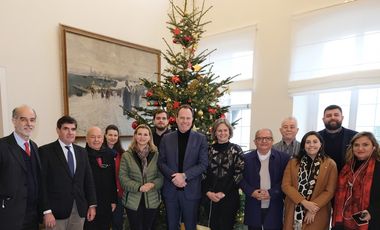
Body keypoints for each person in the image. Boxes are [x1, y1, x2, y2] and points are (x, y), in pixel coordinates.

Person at [39, 115, 97, 230]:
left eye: (73, 129)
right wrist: (46, 211)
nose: (70, 132)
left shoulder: (82, 152)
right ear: (58, 130)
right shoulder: (45, 151)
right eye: (66, 128)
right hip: (55, 213)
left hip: (79, 210)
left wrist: (92, 205)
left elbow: (88, 180)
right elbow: (41, 184)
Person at [158, 104, 208, 230]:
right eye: (182, 118)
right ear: (176, 118)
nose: (185, 121)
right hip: (171, 190)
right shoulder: (166, 138)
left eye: (188, 118)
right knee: (172, 226)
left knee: (191, 226)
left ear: (192, 120)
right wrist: (174, 177)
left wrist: (184, 176)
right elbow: (161, 162)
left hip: (191, 191)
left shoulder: (200, 139)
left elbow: (203, 164)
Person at [282, 131, 338, 230]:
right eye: (308, 142)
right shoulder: (293, 162)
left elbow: (330, 191)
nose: (311, 145)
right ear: (303, 145)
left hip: (318, 212)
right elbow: (286, 185)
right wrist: (304, 202)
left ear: (321, 144)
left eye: (315, 142)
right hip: (294, 209)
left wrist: (312, 210)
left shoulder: (330, 164)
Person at [239, 128, 289, 230]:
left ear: (272, 141)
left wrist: (272, 192)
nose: (264, 141)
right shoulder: (245, 158)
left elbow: (286, 180)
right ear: (255, 141)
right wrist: (251, 191)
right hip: (253, 205)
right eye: (260, 138)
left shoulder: (283, 158)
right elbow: (240, 178)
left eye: (268, 138)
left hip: (274, 204)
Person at [0, 105, 41, 230]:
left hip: (32, 217)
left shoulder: (34, 147)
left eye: (32, 120)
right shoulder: (2, 146)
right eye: (23, 119)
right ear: (14, 121)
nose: (29, 123)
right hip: (9, 216)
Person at [332, 131, 380, 230]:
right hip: (343, 221)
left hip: (370, 221)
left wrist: (372, 212)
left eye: (365, 145)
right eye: (356, 145)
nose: (360, 148)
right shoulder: (346, 167)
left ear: (374, 147)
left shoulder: (378, 167)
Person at [119, 124, 163, 230]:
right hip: (133, 201)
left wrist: (152, 184)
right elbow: (123, 177)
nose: (142, 137)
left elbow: (161, 177)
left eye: (145, 134)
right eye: (139, 134)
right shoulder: (127, 155)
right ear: (135, 136)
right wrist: (139, 187)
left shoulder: (156, 154)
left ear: (149, 137)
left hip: (152, 200)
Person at [202, 118, 244, 230]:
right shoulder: (208, 149)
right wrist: (208, 192)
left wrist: (223, 193)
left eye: (225, 130)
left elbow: (239, 173)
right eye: (219, 130)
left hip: (229, 197)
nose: (222, 133)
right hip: (211, 197)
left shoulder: (236, 149)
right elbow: (202, 173)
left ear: (229, 132)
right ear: (215, 132)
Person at [84, 126, 117, 230]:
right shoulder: (81, 155)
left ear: (103, 139)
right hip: (88, 203)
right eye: (93, 137)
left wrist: (113, 200)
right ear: (87, 139)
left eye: (99, 137)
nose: (96, 140)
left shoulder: (109, 154)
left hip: (106, 202)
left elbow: (112, 179)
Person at [318, 105, 357, 172]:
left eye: (336, 115)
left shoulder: (354, 136)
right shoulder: (316, 136)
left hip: (346, 177)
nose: (332, 117)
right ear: (323, 119)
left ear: (342, 118)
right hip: (322, 176)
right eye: (328, 116)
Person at [103, 125, 125, 230]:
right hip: (104, 195)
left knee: (117, 223)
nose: (113, 137)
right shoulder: (100, 153)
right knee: (104, 223)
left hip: (118, 195)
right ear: (105, 136)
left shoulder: (122, 154)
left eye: (115, 135)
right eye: (110, 135)